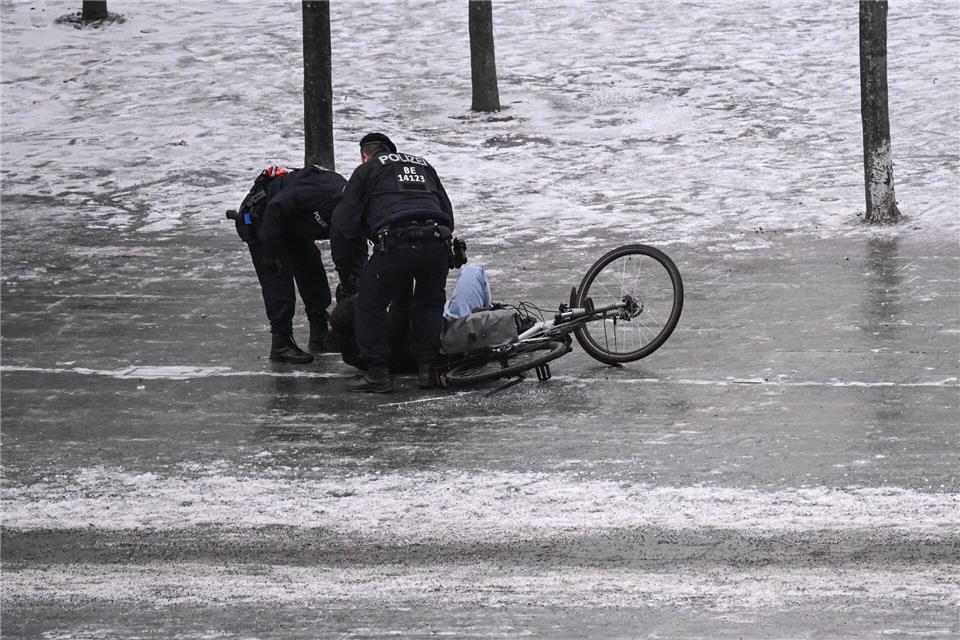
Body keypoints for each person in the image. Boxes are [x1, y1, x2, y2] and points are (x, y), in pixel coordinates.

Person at [331, 132, 454, 393]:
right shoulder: (422, 165)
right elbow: (446, 209)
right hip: (437, 239)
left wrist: (350, 270)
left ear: (366, 155)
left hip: (396, 240)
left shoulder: (367, 170)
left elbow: (343, 224)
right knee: (429, 304)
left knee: (369, 303)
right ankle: (426, 370)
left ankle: (378, 374)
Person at [233, 164, 346, 364]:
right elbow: (276, 206)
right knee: (278, 281)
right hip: (263, 218)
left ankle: (320, 334)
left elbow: (351, 252)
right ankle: (281, 344)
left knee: (312, 271)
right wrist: (270, 252)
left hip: (292, 224)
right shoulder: (325, 192)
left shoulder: (353, 208)